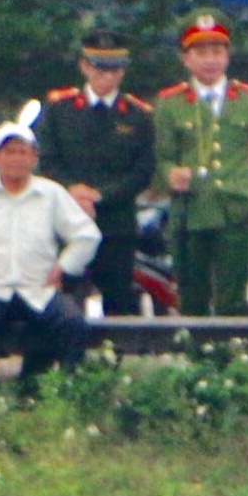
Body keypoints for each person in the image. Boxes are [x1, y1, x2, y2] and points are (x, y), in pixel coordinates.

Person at [0, 121, 102, 385]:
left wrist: (63, 267)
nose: (17, 159)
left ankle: (65, 395)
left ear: (34, 159)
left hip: (38, 289)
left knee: (73, 324)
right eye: (10, 152)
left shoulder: (51, 193)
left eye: (24, 152)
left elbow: (87, 235)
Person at [154, 15, 248, 316]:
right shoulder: (171, 102)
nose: (210, 60)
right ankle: (195, 357)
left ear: (228, 55)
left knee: (232, 298)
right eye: (201, 53)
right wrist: (171, 174)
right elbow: (162, 158)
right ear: (186, 59)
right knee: (191, 296)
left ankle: (231, 356)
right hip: (191, 212)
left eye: (217, 52)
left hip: (234, 209)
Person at [30, 30, 154, 317]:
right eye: (100, 67)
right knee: (66, 299)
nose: (107, 76)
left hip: (116, 222)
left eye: (115, 69)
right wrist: (73, 191)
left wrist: (99, 197)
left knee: (119, 301)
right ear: (85, 66)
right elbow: (47, 160)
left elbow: (143, 171)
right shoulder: (60, 109)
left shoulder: (137, 114)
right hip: (67, 218)